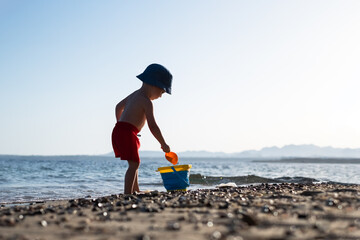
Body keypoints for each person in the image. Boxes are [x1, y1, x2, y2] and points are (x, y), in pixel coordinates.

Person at [111, 63, 172, 194]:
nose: (161, 96)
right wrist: (163, 143)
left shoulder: (134, 95)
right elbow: (153, 126)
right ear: (154, 85)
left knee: (134, 162)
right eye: (162, 91)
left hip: (120, 130)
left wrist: (120, 123)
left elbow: (118, 107)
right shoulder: (146, 102)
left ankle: (135, 190)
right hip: (127, 132)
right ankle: (127, 194)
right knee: (134, 165)